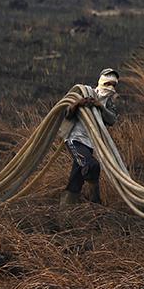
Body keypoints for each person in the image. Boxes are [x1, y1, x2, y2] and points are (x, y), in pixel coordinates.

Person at [61, 68, 119, 205]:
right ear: (101, 82)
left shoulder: (109, 103)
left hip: (90, 142)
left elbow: (112, 120)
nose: (110, 88)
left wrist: (100, 107)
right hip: (75, 139)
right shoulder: (84, 93)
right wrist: (78, 104)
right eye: (107, 84)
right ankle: (96, 202)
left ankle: (65, 208)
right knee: (92, 166)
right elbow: (66, 113)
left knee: (77, 175)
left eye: (114, 85)